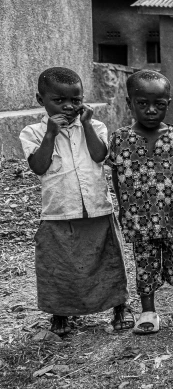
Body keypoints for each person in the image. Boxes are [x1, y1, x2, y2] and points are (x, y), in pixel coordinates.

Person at [20, 67, 131, 336]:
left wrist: (88, 125)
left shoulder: (96, 126)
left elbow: (99, 155)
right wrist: (50, 133)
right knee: (59, 267)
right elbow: (38, 166)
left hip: (97, 210)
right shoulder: (33, 132)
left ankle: (119, 308)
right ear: (40, 99)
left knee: (108, 262)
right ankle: (60, 314)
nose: (69, 106)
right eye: (59, 100)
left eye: (76, 100)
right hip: (59, 213)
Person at [107, 70, 173, 335]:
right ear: (129, 103)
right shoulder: (120, 138)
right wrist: (123, 208)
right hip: (138, 216)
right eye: (142, 103)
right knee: (145, 263)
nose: (151, 110)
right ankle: (148, 312)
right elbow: (116, 176)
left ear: (168, 104)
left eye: (159, 104)